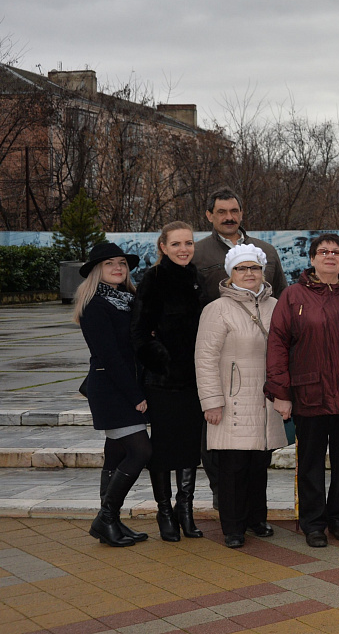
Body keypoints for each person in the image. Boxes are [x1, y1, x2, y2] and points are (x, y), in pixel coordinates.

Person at [266, 234, 339, 548]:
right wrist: (281, 392)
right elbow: (277, 346)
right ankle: (313, 523)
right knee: (311, 463)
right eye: (323, 252)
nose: (330, 256)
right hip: (310, 394)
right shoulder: (292, 296)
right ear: (312, 259)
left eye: (336, 252)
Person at [194, 244, 287, 548]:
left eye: (255, 268)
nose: (249, 274)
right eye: (241, 268)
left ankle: (256, 519)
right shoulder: (217, 309)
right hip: (231, 402)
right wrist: (211, 402)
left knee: (259, 465)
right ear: (230, 273)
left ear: (264, 271)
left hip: (266, 402)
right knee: (232, 469)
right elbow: (205, 359)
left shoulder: (277, 306)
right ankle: (233, 527)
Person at [74, 243, 151, 547]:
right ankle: (105, 519)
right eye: (110, 264)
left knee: (117, 453)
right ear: (97, 270)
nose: (118, 268)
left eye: (122, 263)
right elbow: (110, 357)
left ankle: (112, 523)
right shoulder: (95, 305)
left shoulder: (130, 300)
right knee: (141, 451)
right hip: (112, 389)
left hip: (126, 385)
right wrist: (136, 395)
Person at [133, 221, 205, 542]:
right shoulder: (152, 279)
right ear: (163, 247)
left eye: (188, 243)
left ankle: (185, 510)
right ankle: (165, 511)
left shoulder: (197, 279)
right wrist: (163, 361)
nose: (183, 249)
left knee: (189, 446)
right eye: (176, 244)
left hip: (194, 381)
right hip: (161, 382)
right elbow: (138, 334)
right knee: (163, 447)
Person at [193, 189, 287, 306]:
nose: (229, 217)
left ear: (241, 214)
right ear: (210, 216)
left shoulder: (267, 251)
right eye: (222, 212)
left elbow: (282, 295)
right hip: (217, 322)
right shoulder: (196, 253)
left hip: (264, 322)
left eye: (234, 211)